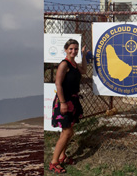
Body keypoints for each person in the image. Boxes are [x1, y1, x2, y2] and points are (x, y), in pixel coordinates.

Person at [49, 39, 87, 174]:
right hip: (64, 101)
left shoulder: (74, 64)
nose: (73, 51)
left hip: (73, 100)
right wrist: (63, 102)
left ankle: (62, 156)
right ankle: (54, 162)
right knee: (67, 132)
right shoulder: (64, 64)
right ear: (65, 49)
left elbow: (84, 70)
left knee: (69, 131)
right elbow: (58, 84)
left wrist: (83, 55)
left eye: (75, 49)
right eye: (71, 48)